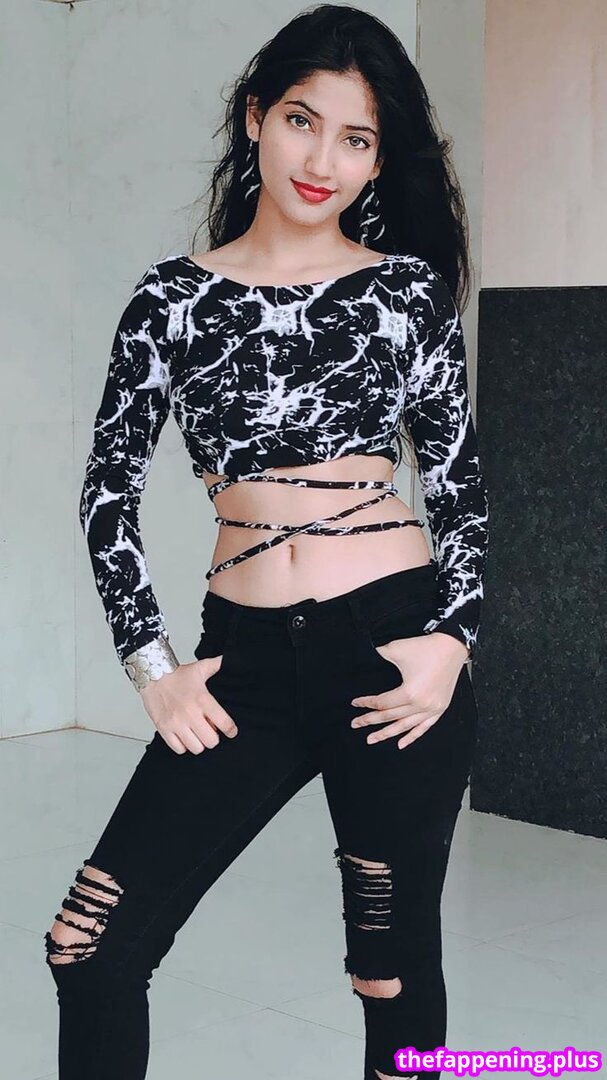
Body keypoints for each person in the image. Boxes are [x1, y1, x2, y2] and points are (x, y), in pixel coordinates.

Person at [43, 5, 489, 1079]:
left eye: (356, 138)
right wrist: (152, 667)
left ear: (378, 158)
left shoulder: (404, 293)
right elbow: (107, 492)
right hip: (240, 660)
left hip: (391, 651)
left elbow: (459, 487)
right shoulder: (172, 299)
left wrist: (451, 641)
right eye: (301, 120)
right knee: (89, 949)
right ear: (255, 118)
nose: (322, 161)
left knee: (389, 973)